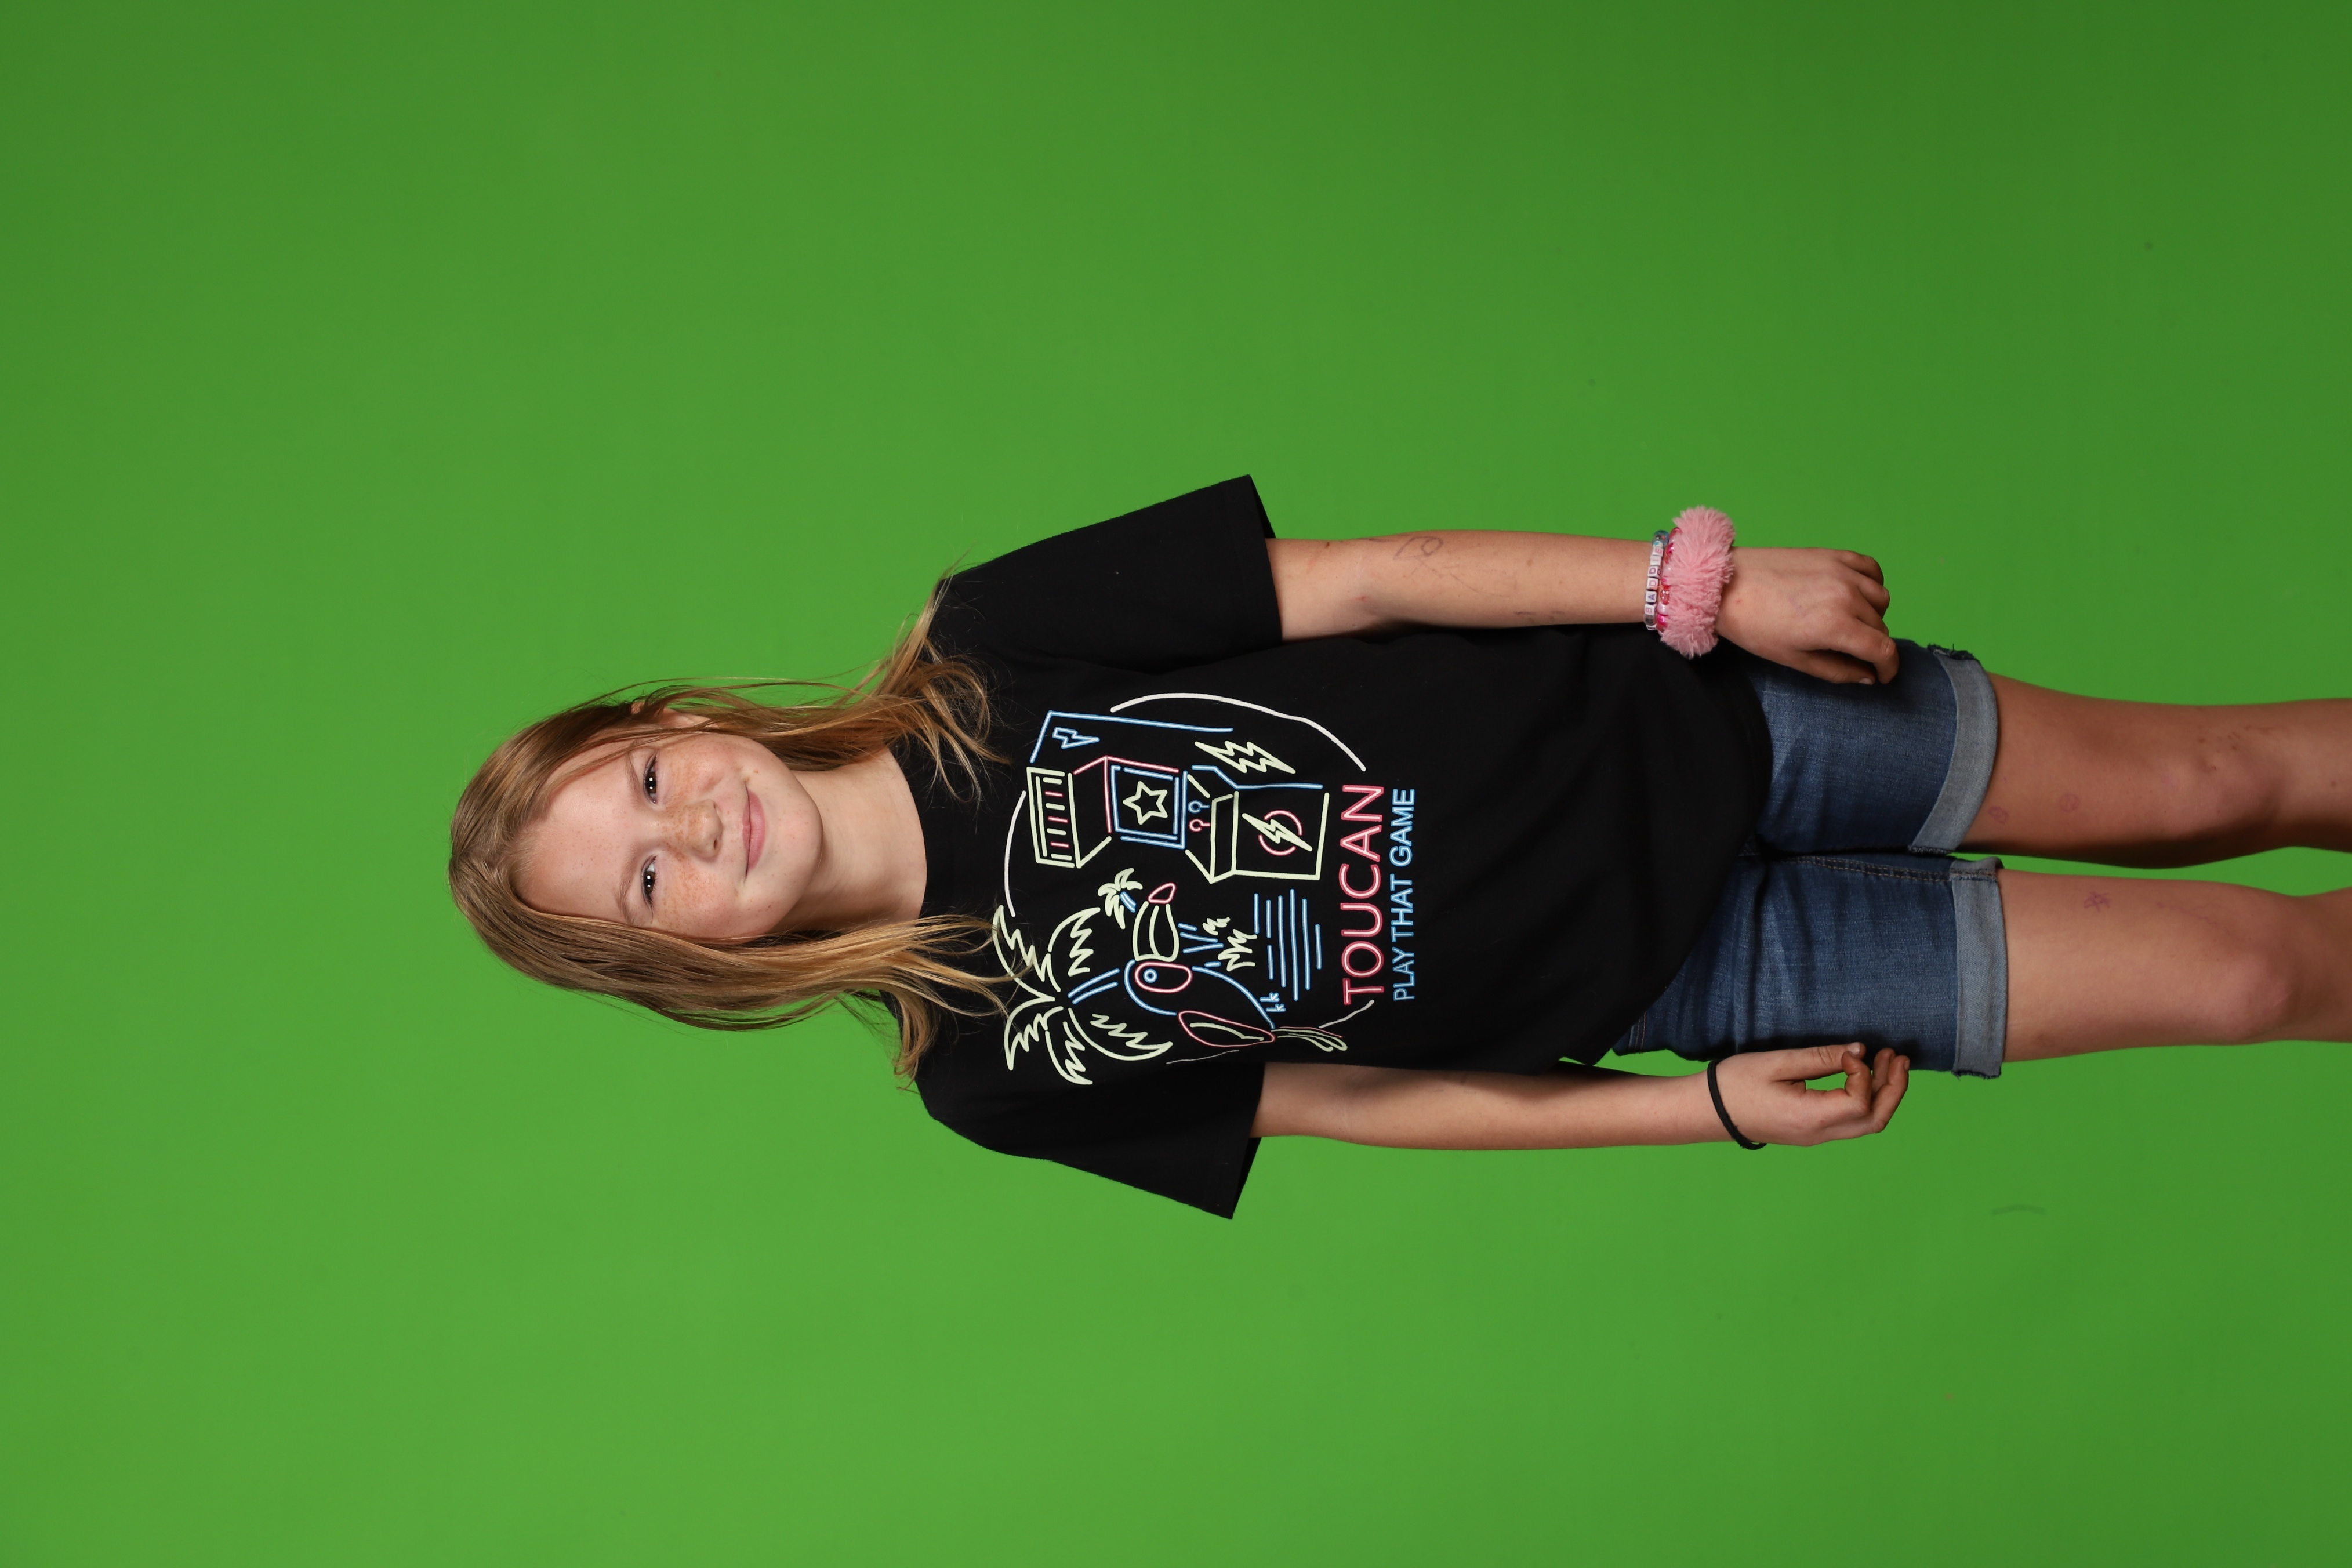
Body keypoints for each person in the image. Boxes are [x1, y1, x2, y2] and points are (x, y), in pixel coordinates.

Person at [449, 477, 2352, 1215]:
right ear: (680, 963)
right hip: (1701, 981)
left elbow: (1363, 581)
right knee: (2246, 972)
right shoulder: (989, 1072)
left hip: (1715, 717)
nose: (690, 826)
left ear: (676, 721)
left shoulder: (990, 638)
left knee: (2206, 784)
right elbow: (1366, 1107)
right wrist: (1697, 1115)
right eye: (646, 881)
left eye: (645, 781)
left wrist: (1696, 591)